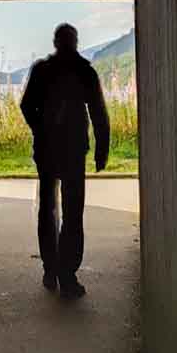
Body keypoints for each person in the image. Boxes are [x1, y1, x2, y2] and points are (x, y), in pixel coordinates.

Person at [19, 22, 110, 298]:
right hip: (73, 152)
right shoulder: (84, 71)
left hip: (47, 151)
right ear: (75, 42)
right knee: (72, 213)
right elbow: (98, 112)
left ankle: (50, 270)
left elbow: (26, 105)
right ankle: (67, 275)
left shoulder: (42, 70)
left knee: (48, 209)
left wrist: (40, 128)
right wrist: (101, 149)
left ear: (56, 42)